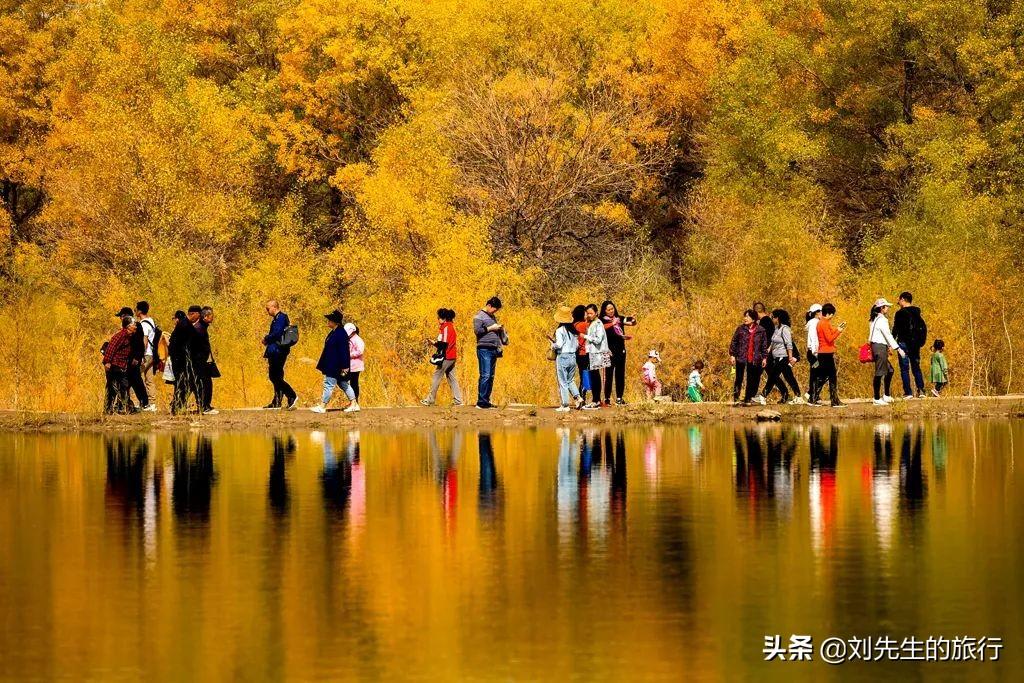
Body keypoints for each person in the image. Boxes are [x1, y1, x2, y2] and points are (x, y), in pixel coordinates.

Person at [311, 309, 359, 413]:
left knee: (329, 384)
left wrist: (345, 366)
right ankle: (354, 404)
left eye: (330, 320)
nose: (328, 321)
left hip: (336, 365)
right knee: (343, 384)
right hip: (333, 364)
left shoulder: (341, 334)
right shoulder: (334, 332)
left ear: (335, 322)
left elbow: (344, 351)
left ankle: (322, 406)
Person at [473, 297, 508, 409]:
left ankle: (486, 401)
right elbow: (477, 331)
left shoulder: (492, 317)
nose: (495, 311)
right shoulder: (479, 316)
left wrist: (500, 330)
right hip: (484, 349)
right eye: (494, 309)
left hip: (493, 349)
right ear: (488, 305)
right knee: (485, 375)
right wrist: (491, 328)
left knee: (491, 376)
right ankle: (481, 402)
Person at [422, 308, 463, 406]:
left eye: (439, 317)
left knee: (436, 376)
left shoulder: (446, 328)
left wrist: (434, 343)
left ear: (444, 319)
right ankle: (458, 400)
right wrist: (435, 343)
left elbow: (444, 344)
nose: (438, 319)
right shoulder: (451, 327)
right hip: (452, 356)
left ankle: (430, 399)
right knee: (452, 378)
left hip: (446, 356)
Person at [262, 300, 298, 410]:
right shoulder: (277, 319)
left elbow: (277, 333)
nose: (267, 311)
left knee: (274, 376)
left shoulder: (281, 318)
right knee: (277, 376)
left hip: (279, 351)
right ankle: (277, 401)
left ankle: (292, 395)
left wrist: (266, 338)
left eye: (268, 308)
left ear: (274, 307)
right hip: (275, 351)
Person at [761, 309, 802, 404]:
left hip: (783, 357)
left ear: (778, 318)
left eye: (773, 317)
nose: (772, 319)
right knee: (789, 377)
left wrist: (791, 357)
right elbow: (773, 341)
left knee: (773, 376)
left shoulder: (785, 329)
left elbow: (789, 344)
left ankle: (763, 395)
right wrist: (768, 350)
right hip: (777, 357)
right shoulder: (776, 329)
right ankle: (798, 396)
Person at [892, 291, 928, 399]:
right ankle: (921, 390)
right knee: (916, 367)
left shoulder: (900, 313)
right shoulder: (917, 313)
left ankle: (908, 392)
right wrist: (921, 342)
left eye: (899, 299)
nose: (898, 301)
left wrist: (891, 343)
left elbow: (895, 329)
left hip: (903, 344)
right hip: (915, 345)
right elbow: (924, 328)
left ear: (903, 299)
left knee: (904, 369)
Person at [600, 300, 637, 405]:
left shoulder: (619, 318)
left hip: (621, 350)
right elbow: (602, 328)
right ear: (604, 311)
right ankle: (607, 398)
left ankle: (619, 397)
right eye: (608, 309)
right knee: (609, 374)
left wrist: (633, 319)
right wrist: (612, 323)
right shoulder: (601, 320)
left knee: (620, 374)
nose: (611, 311)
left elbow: (631, 322)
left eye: (612, 309)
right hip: (609, 351)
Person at [728, 309, 768, 405]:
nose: (745, 318)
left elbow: (764, 345)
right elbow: (734, 342)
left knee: (751, 379)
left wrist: (764, 357)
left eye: (747, 316)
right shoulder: (740, 329)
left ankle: (747, 399)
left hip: (754, 358)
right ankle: (736, 398)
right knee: (739, 378)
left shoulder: (761, 330)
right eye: (744, 316)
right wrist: (732, 355)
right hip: (741, 356)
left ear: (753, 319)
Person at [548, 306, 584, 412]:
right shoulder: (573, 330)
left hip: (563, 356)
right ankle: (578, 397)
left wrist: (552, 345)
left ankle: (565, 405)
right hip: (573, 356)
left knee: (562, 381)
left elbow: (558, 345)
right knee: (570, 380)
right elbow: (577, 345)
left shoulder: (560, 330)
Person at [869, 298, 904, 405]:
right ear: (881, 308)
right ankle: (876, 398)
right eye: (886, 306)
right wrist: (898, 348)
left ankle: (886, 395)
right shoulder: (881, 320)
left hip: (878, 346)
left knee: (889, 370)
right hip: (879, 346)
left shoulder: (874, 319)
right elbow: (887, 334)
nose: (888, 308)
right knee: (879, 372)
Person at [170, 306, 202, 414]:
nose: (200, 317)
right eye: (199, 314)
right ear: (193, 314)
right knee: (183, 384)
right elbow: (182, 345)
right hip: (181, 361)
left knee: (184, 384)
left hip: (180, 360)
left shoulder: (184, 324)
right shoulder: (185, 325)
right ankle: (177, 408)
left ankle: (178, 407)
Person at [102, 316, 137, 414]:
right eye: (134, 324)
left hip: (121, 365)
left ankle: (121, 408)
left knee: (123, 387)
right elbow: (110, 348)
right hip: (114, 365)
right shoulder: (120, 336)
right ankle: (108, 410)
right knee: (113, 387)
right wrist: (108, 362)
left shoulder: (130, 336)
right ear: (128, 326)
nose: (136, 326)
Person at [814, 303, 846, 407]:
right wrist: (839, 332)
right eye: (832, 315)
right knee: (830, 376)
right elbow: (830, 338)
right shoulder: (824, 323)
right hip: (825, 353)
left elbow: (830, 333)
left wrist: (838, 329)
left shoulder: (821, 323)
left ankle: (815, 398)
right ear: (828, 314)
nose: (832, 317)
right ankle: (833, 401)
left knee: (824, 376)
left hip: (824, 353)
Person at [192, 306, 218, 415]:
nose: (213, 318)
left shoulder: (201, 327)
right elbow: (198, 347)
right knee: (204, 384)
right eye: (211, 315)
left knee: (206, 383)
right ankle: (204, 406)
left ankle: (205, 405)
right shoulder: (199, 329)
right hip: (200, 362)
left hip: (202, 361)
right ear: (205, 317)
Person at [583, 303, 609, 409]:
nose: (589, 315)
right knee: (594, 375)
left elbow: (598, 339)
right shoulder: (592, 324)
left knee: (595, 376)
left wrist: (585, 336)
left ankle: (596, 400)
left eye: (591, 313)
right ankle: (595, 399)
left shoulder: (598, 324)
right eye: (587, 313)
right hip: (593, 353)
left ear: (596, 313)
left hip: (597, 353)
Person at [135, 301, 159, 411]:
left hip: (146, 355)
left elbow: (144, 341)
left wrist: (140, 355)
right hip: (152, 354)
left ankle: (137, 402)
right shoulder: (151, 321)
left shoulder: (143, 324)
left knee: (134, 377)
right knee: (149, 379)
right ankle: (152, 403)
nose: (135, 311)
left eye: (136, 310)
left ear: (139, 311)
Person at [571, 305, 593, 403]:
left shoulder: (574, 324)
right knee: (585, 375)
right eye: (586, 313)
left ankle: (581, 397)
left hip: (577, 354)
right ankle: (582, 397)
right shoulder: (584, 325)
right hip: (584, 353)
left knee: (581, 374)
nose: (587, 315)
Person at [805, 304, 822, 403]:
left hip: (813, 352)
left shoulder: (814, 322)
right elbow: (813, 337)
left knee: (815, 373)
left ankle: (811, 393)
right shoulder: (814, 323)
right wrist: (816, 352)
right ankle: (812, 395)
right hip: (814, 353)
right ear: (817, 313)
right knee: (816, 373)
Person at [345, 322, 365, 402]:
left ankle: (355, 401)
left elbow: (360, 351)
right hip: (349, 365)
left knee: (354, 383)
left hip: (356, 366)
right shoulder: (349, 339)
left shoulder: (358, 340)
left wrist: (349, 355)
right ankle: (352, 401)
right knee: (343, 381)